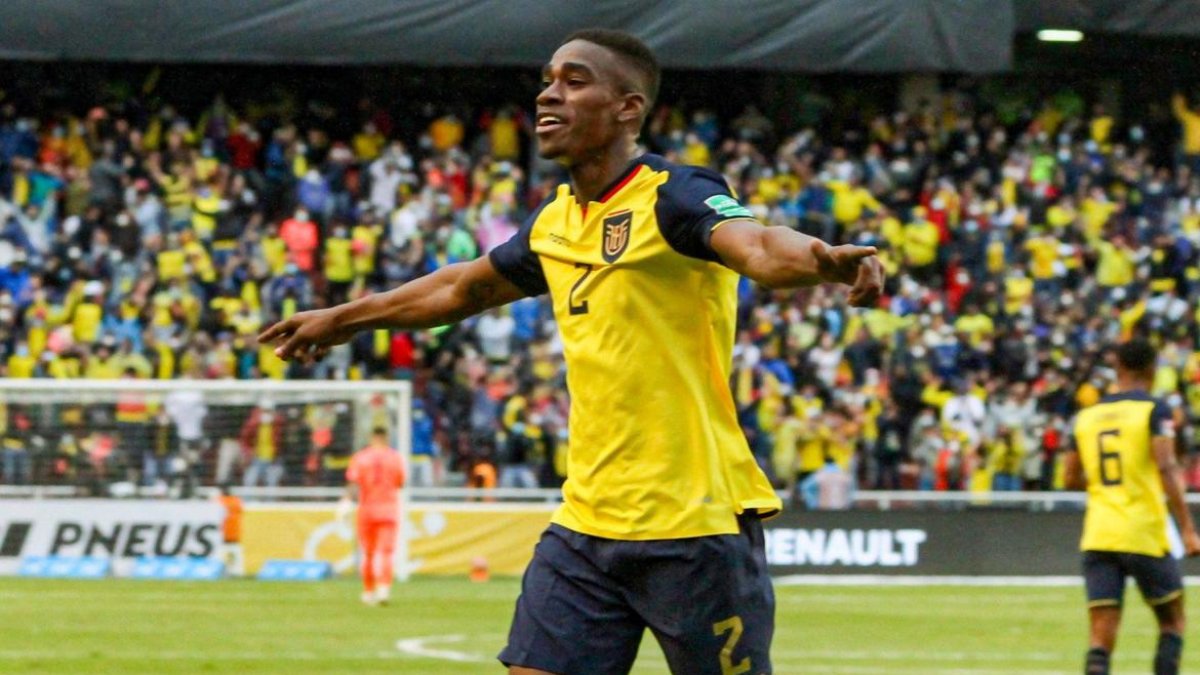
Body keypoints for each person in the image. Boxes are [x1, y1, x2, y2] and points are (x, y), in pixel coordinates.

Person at [260, 28, 882, 674]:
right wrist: (343, 318)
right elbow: (461, 287)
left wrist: (823, 260)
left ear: (627, 108)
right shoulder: (555, 222)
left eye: (574, 81)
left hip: (693, 525)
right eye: (547, 81)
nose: (548, 95)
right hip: (586, 524)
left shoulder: (674, 194)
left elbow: (757, 245)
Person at [1064, 339, 1200, 675]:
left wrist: (1106, 488)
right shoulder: (1154, 410)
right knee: (1172, 621)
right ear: (1152, 369)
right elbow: (1166, 466)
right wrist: (1187, 528)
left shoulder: (1087, 416)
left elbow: (1069, 478)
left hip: (1099, 534)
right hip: (1143, 531)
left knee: (1100, 638)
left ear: (1118, 368)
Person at [340, 426, 405, 606]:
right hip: (389, 510)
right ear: (386, 438)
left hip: (367, 510)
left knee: (368, 553)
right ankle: (384, 590)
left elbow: (353, 482)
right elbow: (400, 483)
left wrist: (346, 501)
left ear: (371, 438)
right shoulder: (395, 457)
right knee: (386, 552)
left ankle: (368, 591)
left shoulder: (361, 457)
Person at [214, 483, 244, 577]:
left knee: (222, 554)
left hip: (224, 533)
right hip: (232, 533)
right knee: (234, 554)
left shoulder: (218, 501)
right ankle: (235, 572)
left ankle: (224, 572)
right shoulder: (236, 500)